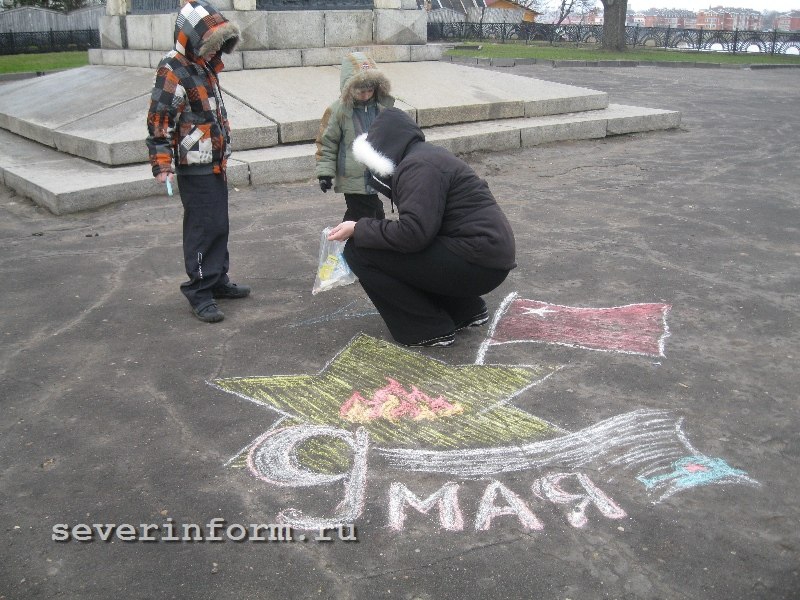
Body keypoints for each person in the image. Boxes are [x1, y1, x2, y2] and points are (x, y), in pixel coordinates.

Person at [327, 108, 516, 347]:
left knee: (360, 250)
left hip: (478, 262)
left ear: (381, 150)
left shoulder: (417, 167)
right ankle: (464, 310)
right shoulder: (425, 157)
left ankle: (427, 329)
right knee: (397, 249)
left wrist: (359, 228)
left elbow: (413, 234)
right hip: (487, 258)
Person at [146, 0, 249, 324]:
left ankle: (216, 279)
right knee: (203, 228)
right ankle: (199, 291)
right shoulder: (173, 68)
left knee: (218, 224)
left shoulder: (204, 66)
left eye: (220, 44)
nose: (216, 50)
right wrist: (162, 163)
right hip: (194, 167)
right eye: (212, 43)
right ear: (192, 39)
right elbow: (160, 120)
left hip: (214, 163)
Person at [315, 52, 394, 222]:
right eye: (360, 92)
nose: (365, 95)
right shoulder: (339, 111)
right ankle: (347, 237)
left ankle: (342, 237)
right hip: (351, 176)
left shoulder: (379, 108)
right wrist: (325, 173)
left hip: (373, 173)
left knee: (372, 213)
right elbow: (327, 144)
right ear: (349, 89)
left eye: (369, 91)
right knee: (364, 215)